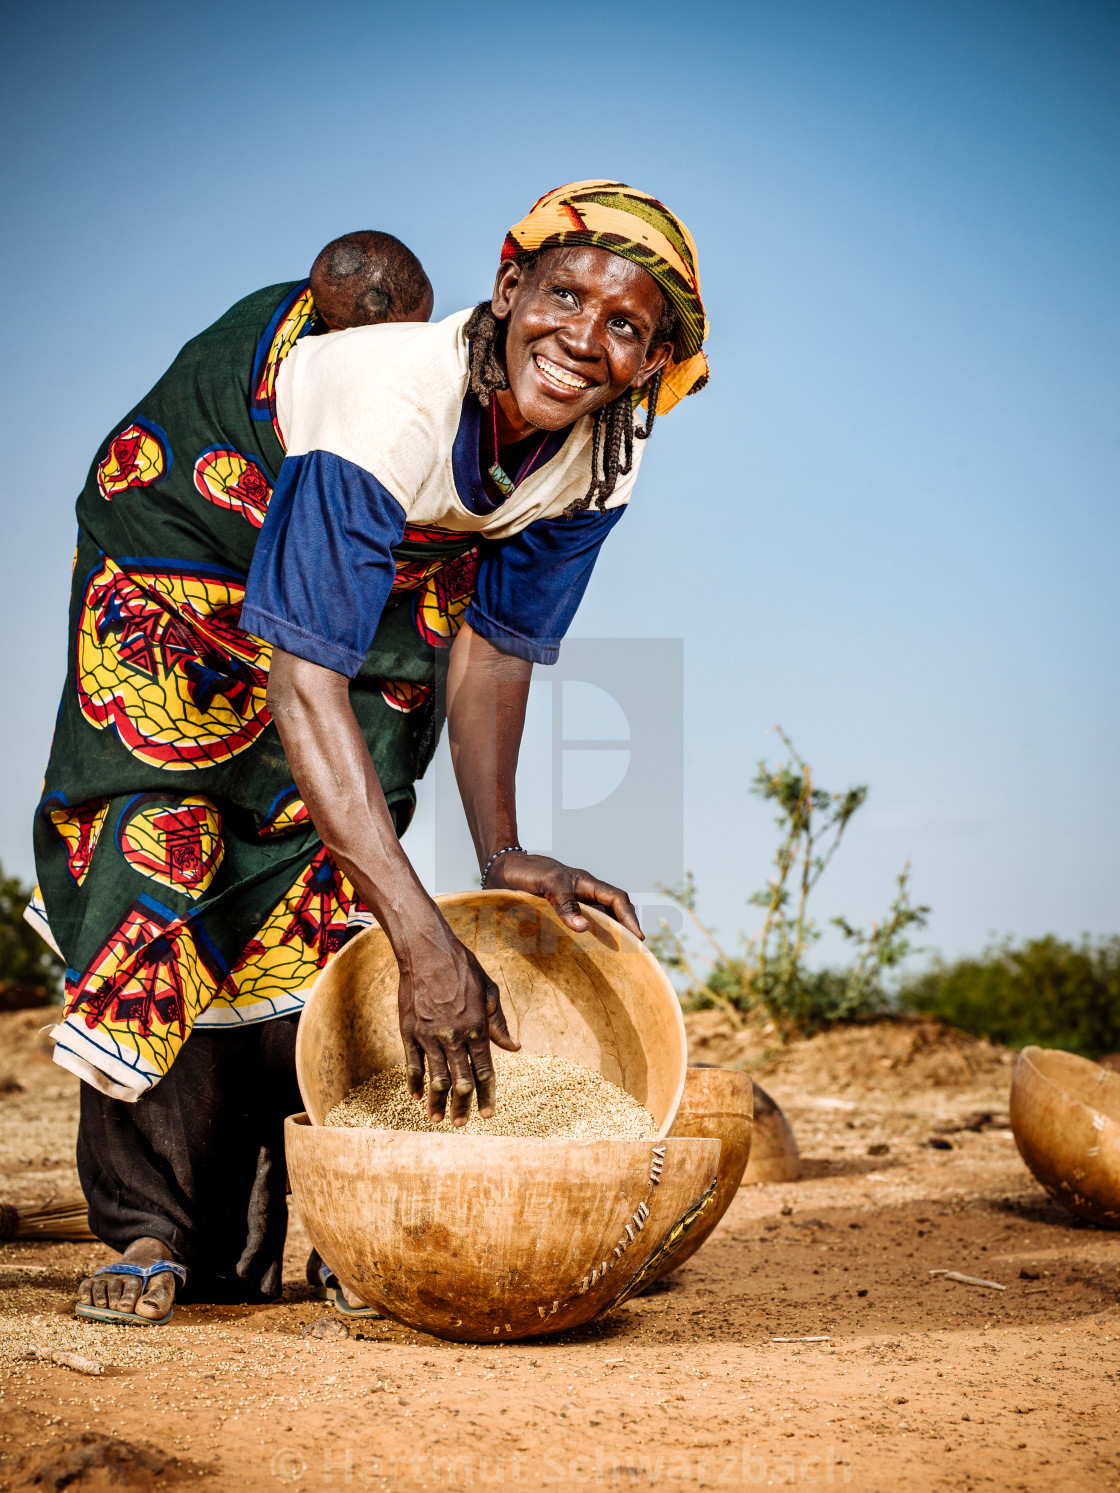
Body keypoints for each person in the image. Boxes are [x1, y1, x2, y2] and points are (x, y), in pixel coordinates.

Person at [45, 179, 708, 1326]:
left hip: (382, 569)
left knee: (329, 866)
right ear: (509, 291)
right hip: (190, 548)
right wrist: (425, 938)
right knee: (166, 845)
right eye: (564, 296)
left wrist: (500, 852)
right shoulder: (387, 399)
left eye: (625, 327)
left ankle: (338, 1216)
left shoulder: (601, 456)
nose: (584, 339)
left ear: (651, 361)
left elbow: (494, 650)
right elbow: (305, 685)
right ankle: (148, 1222)